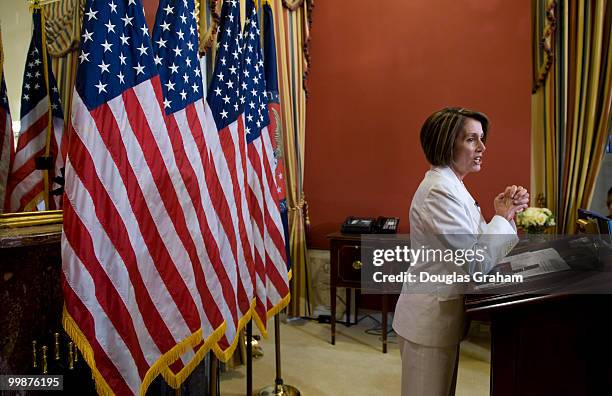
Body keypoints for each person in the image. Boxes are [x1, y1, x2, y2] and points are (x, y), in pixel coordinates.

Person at [392, 107, 529, 396]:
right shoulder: (439, 191)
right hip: (428, 320)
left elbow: (478, 247)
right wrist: (502, 218)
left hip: (442, 317)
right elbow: (476, 262)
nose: (482, 147)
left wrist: (506, 213)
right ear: (446, 143)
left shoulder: (454, 186)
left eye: (481, 138)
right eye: (471, 139)